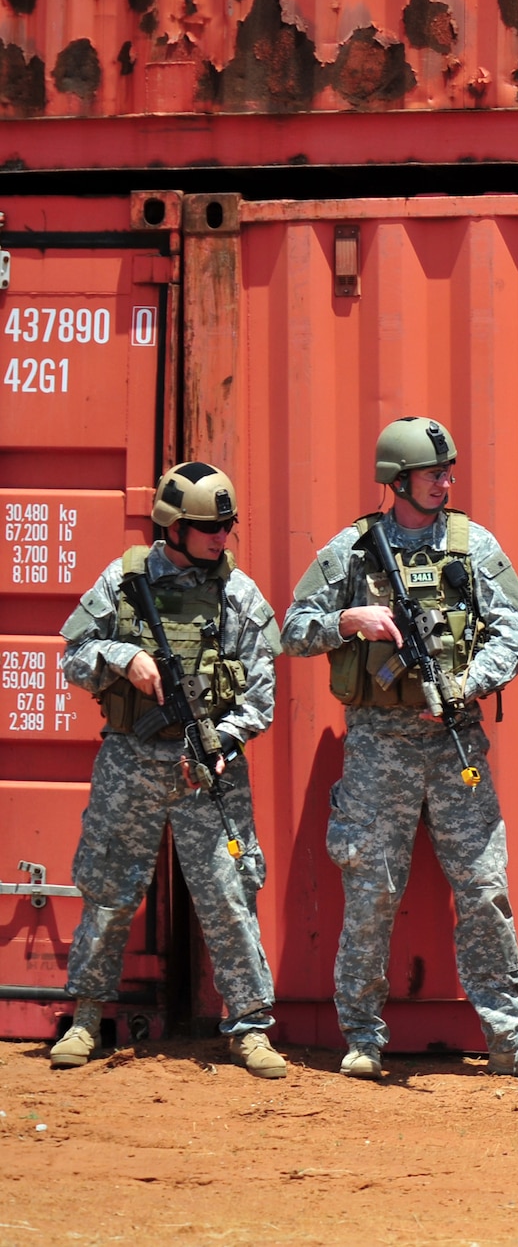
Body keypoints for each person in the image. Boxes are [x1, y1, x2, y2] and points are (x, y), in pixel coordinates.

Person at [281, 417, 518, 1082]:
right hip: (379, 747)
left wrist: (470, 680)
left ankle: (510, 1038)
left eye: (448, 471)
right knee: (372, 892)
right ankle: (362, 1038)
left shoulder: (471, 545)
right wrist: (348, 620)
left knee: (484, 887)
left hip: (454, 737)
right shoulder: (353, 551)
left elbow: (512, 634)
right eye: (435, 472)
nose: (447, 481)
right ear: (398, 480)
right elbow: (290, 631)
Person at [51, 462, 286, 1078]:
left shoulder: (239, 595)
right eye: (209, 527)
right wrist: (123, 656)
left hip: (207, 768)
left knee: (230, 893)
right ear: (173, 527)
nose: (221, 538)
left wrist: (218, 741)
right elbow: (72, 658)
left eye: (228, 527)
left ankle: (251, 1027)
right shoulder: (125, 581)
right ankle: (84, 1017)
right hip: (129, 759)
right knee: (108, 890)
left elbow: (261, 699)